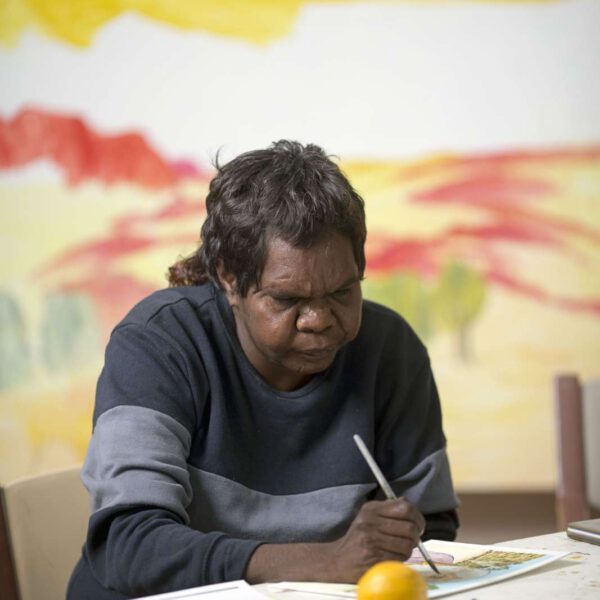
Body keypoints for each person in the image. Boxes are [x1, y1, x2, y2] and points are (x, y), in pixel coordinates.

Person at [67, 140, 458, 598]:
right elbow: (129, 546)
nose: (318, 320)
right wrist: (325, 561)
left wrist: (397, 540)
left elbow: (431, 528)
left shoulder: (391, 351)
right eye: (287, 299)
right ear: (229, 279)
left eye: (341, 292)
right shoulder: (160, 343)